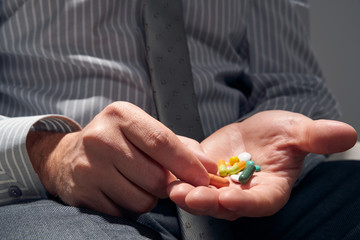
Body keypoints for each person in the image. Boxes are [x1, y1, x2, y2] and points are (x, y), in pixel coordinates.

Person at [0, 0, 358, 239]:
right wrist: (52, 155)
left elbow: (296, 83)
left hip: (252, 193)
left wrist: (279, 141)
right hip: (61, 199)